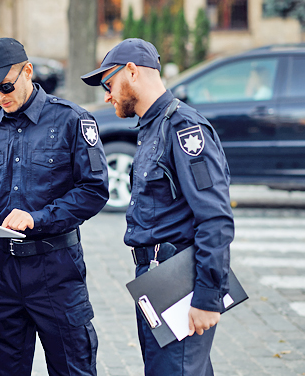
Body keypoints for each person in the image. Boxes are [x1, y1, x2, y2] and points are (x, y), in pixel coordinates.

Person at [81, 38, 234, 376]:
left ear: (132, 71)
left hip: (179, 279)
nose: (107, 95)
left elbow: (215, 218)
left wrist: (208, 297)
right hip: (155, 279)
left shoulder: (183, 128)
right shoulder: (154, 127)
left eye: (109, 84)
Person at [0, 37, 109, 376]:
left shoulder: (71, 121)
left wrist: (37, 219)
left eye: (6, 85)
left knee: (73, 369)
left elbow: (93, 190)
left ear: (28, 71)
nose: (0, 96)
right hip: (1, 272)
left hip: (56, 270)